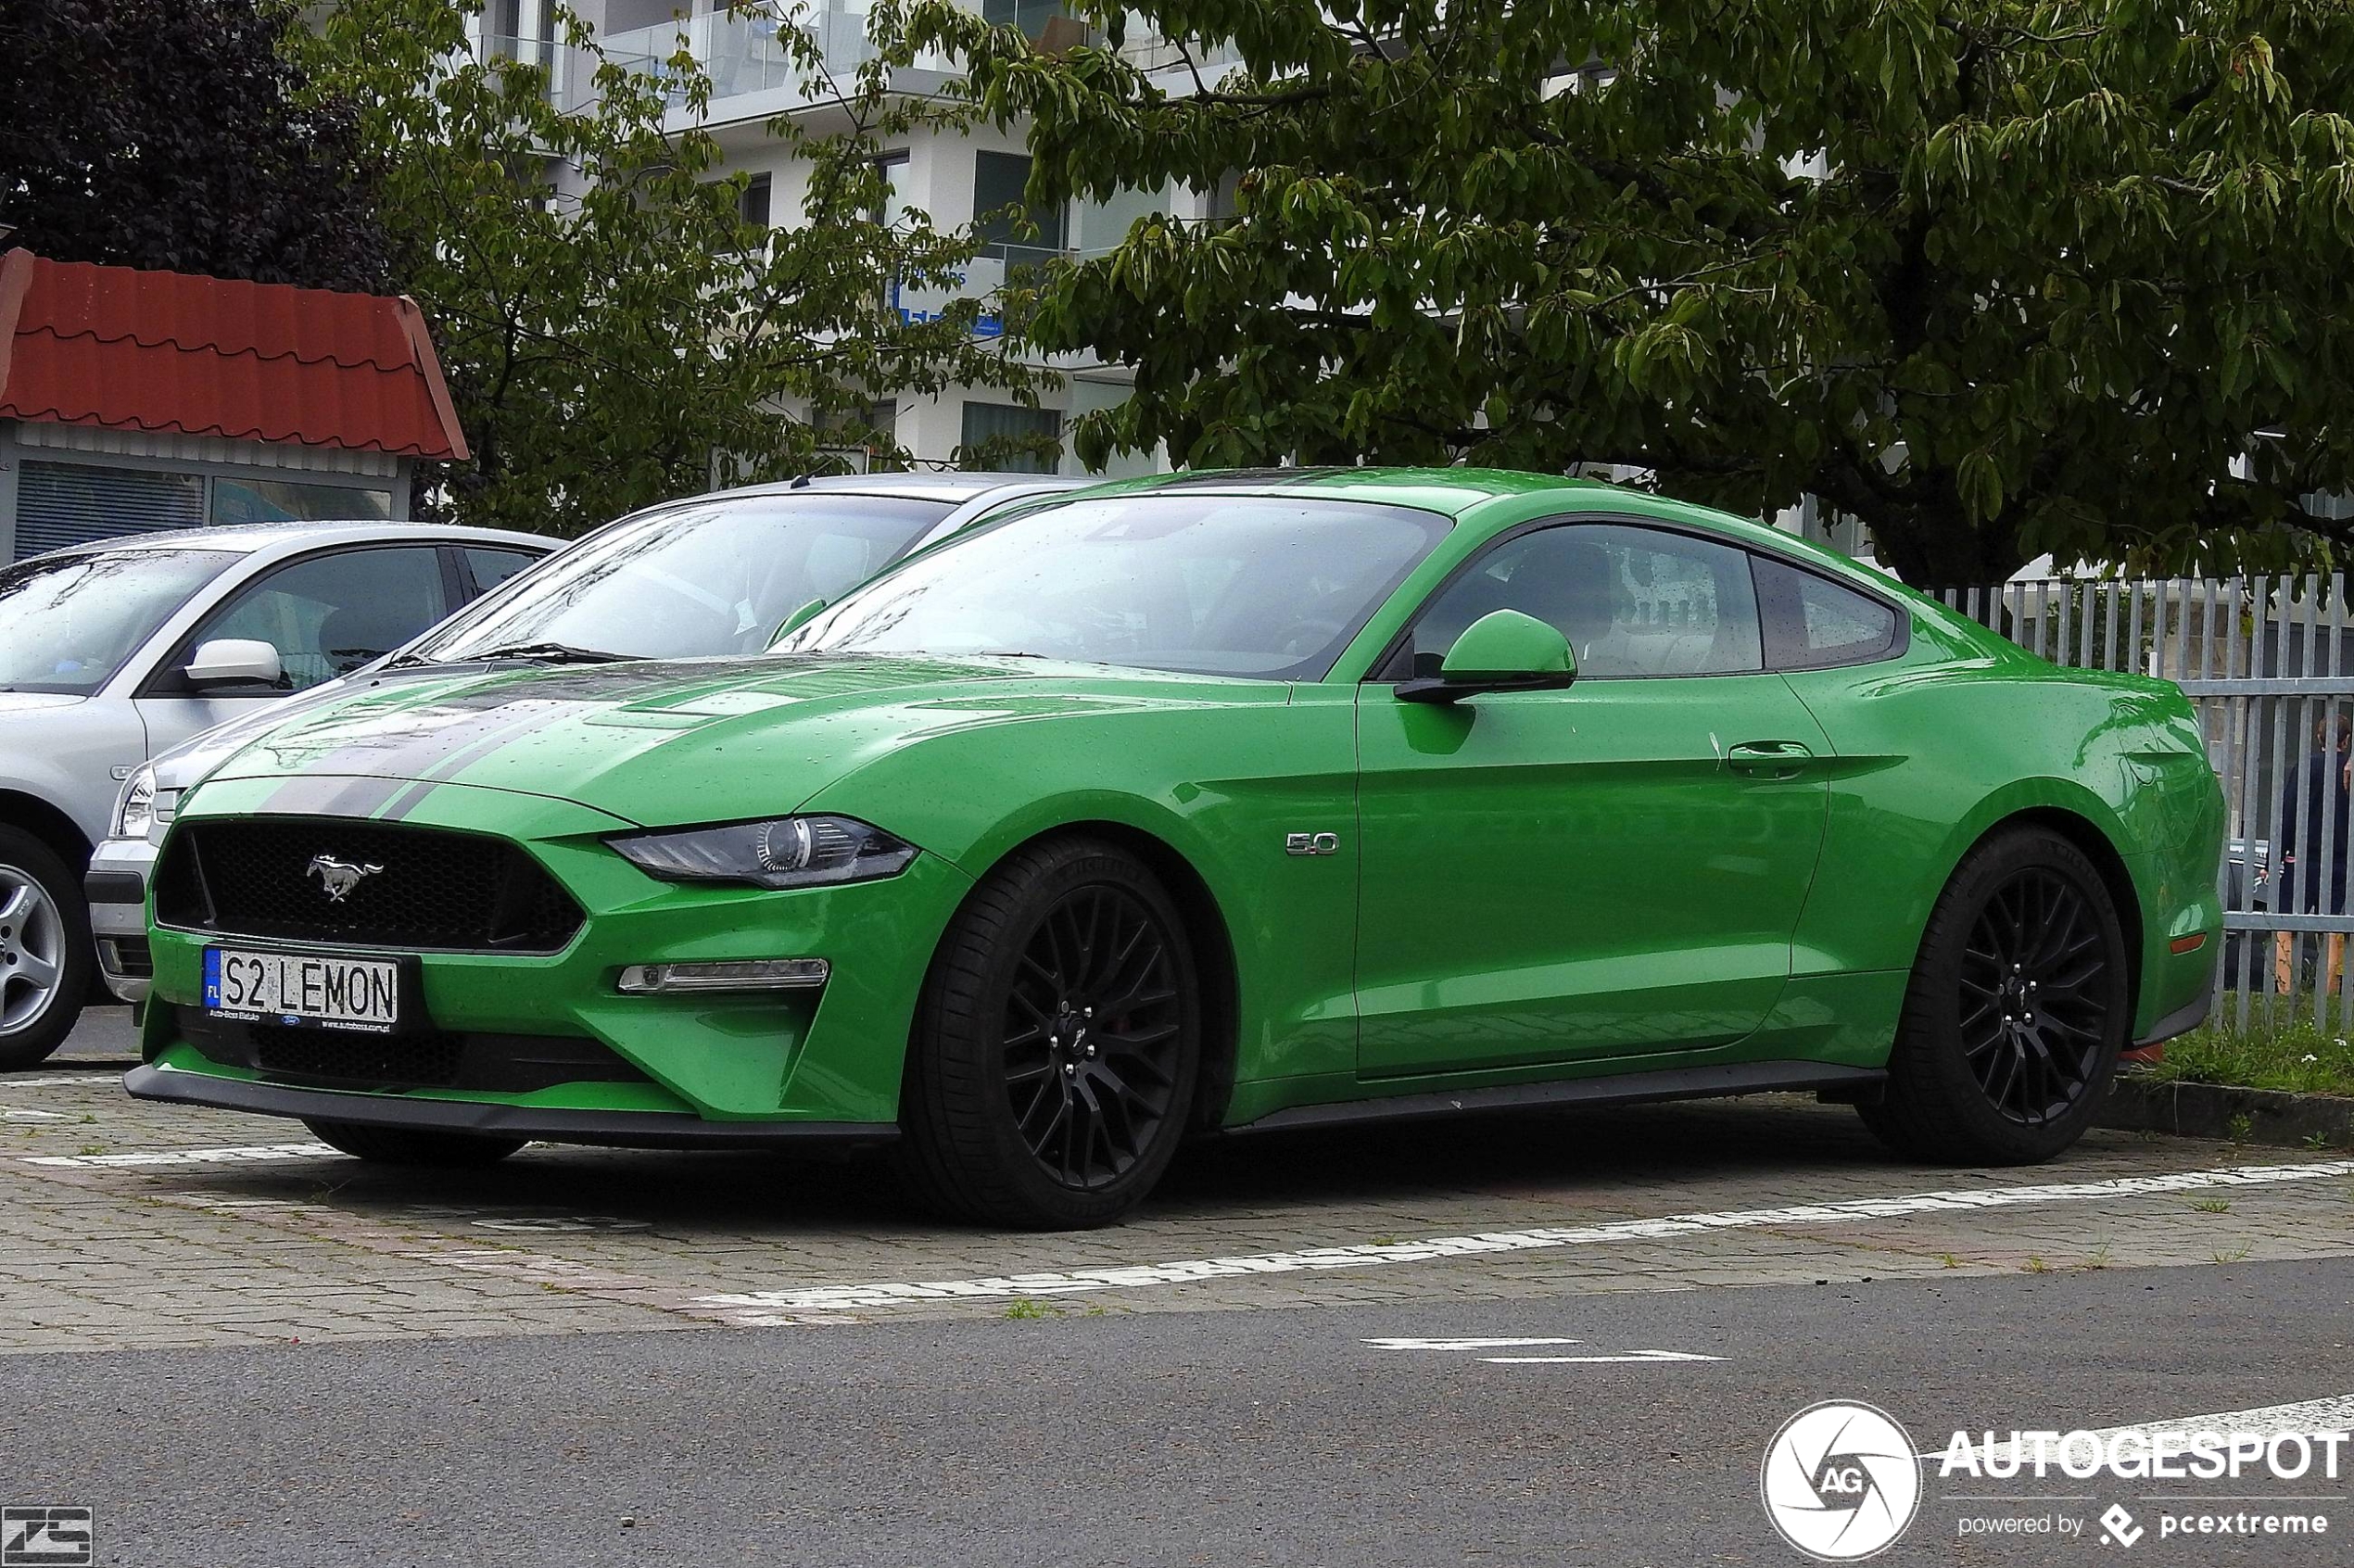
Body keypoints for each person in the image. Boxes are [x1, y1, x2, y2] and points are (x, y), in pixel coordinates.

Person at [2274, 713, 2353, 994]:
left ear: (2319, 738)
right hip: (2340, 862)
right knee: (2332, 930)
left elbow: (2288, 812)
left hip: (2301, 860)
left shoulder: (2305, 766)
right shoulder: (2349, 769)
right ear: (2346, 740)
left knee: (2286, 928)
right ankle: (2328, 995)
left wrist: (2275, 857)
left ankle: (2284, 991)